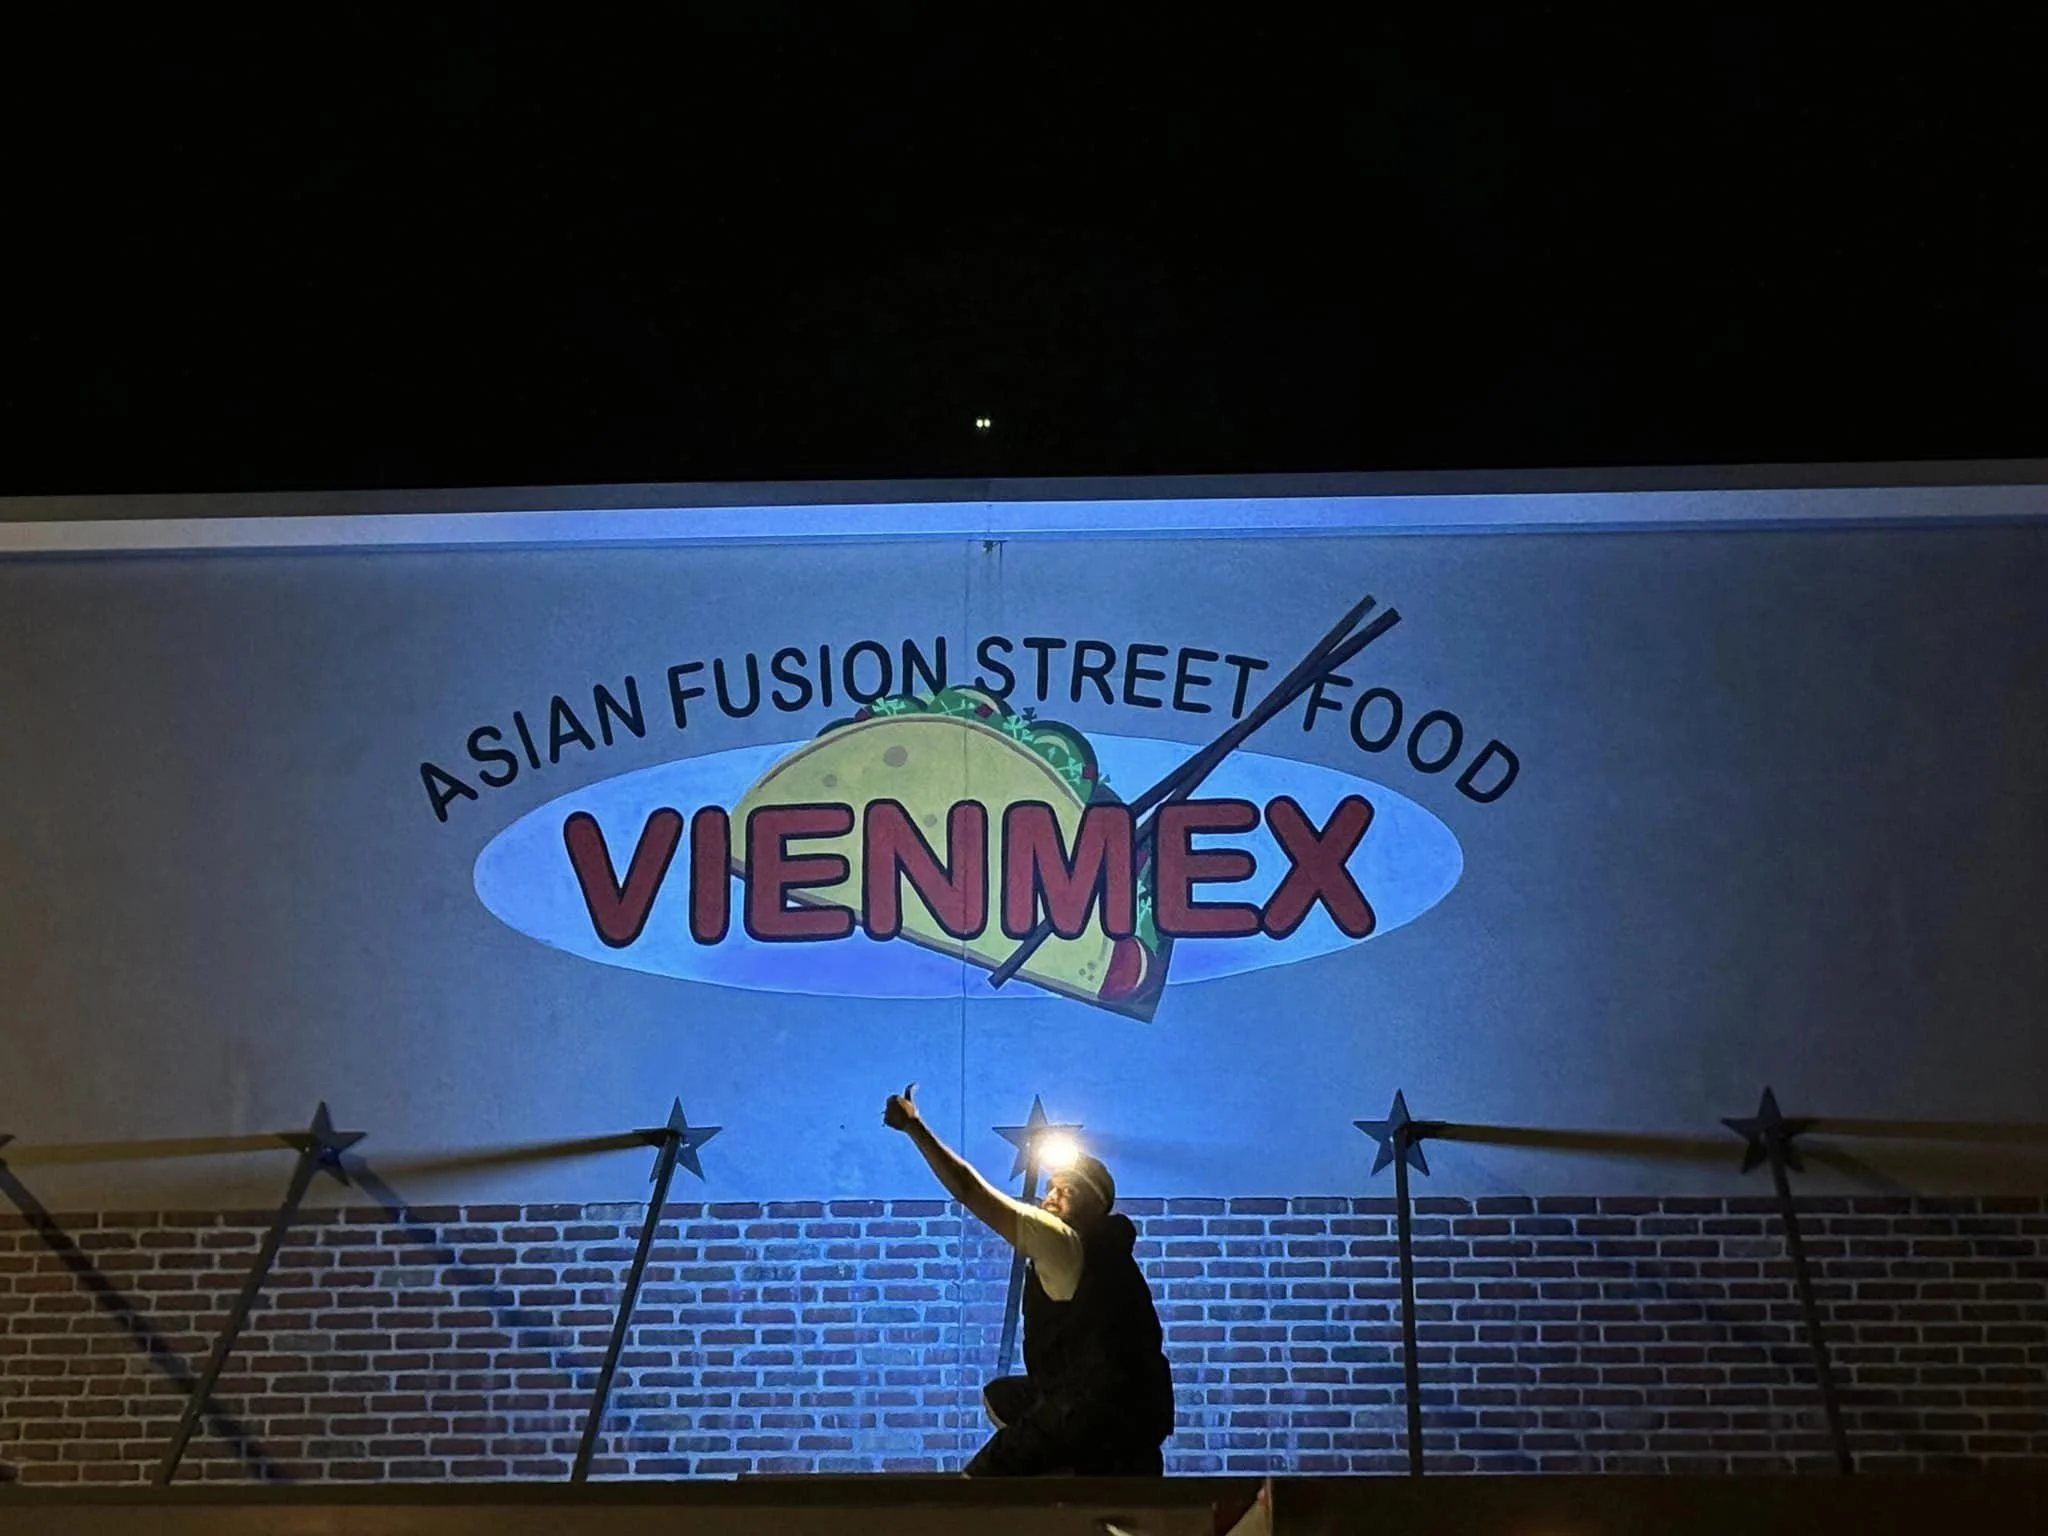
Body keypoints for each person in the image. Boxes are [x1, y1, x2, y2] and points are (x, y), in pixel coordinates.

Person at [882, 1081, 1176, 1476]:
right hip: (1133, 1425)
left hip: (1088, 1416)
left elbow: (970, 1190)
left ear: (1096, 1206)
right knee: (1003, 1396)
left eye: (1066, 1191)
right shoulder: (1114, 1262)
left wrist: (915, 1128)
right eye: (1050, 1188)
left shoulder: (1065, 1241)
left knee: (972, 1492)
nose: (1049, 1198)